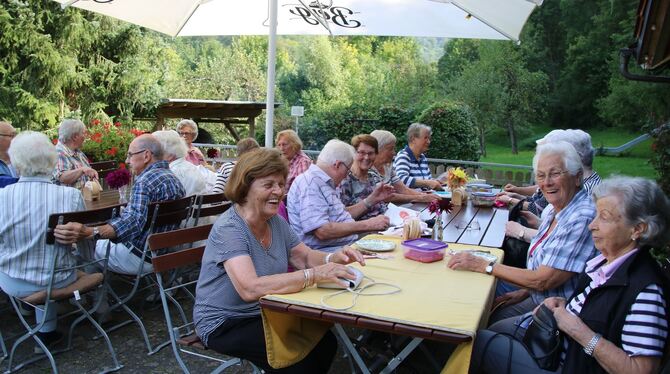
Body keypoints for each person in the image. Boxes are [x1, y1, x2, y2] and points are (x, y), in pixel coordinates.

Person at [471, 176, 670, 374]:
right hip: (555, 345)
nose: (592, 225)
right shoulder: (609, 263)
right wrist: (564, 304)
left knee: (474, 343)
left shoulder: (646, 292)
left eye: (605, 217)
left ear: (637, 229)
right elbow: (601, 307)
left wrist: (578, 330)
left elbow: (641, 370)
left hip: (567, 364)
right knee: (494, 329)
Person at [194, 148, 366, 373]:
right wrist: (313, 275)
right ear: (245, 187)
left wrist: (334, 258)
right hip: (225, 323)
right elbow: (249, 289)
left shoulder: (274, 221)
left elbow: (303, 257)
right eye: (268, 185)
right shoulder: (230, 228)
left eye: (281, 184)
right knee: (300, 363)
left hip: (265, 311)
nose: (278, 191)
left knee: (325, 344)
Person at [448, 141, 597, 324]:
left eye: (555, 173)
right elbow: (547, 272)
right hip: (536, 294)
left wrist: (483, 265)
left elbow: (543, 280)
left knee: (483, 317)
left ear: (577, 176)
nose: (547, 182)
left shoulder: (581, 218)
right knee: (468, 285)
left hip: (557, 315)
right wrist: (525, 291)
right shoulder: (555, 209)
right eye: (541, 176)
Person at [54, 134, 185, 275]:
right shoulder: (175, 180)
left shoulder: (145, 182)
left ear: (146, 156)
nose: (127, 160)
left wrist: (91, 232)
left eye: (130, 155)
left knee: (84, 245)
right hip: (163, 254)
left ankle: (93, 285)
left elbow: (133, 222)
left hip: (137, 257)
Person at [0, 132, 86, 345]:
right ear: (52, 160)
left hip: (15, 280)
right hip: (63, 276)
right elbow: (84, 242)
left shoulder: (3, 197)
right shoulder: (71, 196)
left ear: (15, 162)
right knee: (50, 262)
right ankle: (46, 333)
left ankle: (36, 324)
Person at [288, 139, 390, 252]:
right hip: (327, 253)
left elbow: (340, 215)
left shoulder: (322, 182)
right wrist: (369, 225)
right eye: (347, 170)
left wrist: (371, 200)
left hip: (344, 246)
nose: (347, 175)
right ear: (337, 165)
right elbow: (322, 231)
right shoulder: (310, 184)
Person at [370, 130, 438, 204]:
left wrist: (425, 196)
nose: (394, 152)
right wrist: (420, 197)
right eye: (390, 149)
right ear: (378, 149)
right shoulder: (369, 169)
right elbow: (387, 197)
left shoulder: (388, 167)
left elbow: (403, 189)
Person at [339, 135, 395, 220]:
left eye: (370, 153)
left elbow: (382, 207)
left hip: (385, 224)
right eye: (361, 152)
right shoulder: (344, 180)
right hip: (361, 230)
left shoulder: (373, 176)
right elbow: (340, 215)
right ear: (353, 153)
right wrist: (370, 201)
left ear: (376, 154)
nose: (366, 157)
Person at [153, 130, 207, 196]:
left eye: (155, 152)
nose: (152, 156)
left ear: (170, 154)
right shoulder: (192, 168)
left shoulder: (169, 174)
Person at [392, 123, 442, 191]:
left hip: (424, 199)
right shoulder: (404, 156)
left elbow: (428, 181)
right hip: (410, 201)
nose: (428, 142)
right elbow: (401, 179)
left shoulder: (422, 157)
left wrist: (439, 181)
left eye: (429, 138)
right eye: (425, 138)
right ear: (413, 139)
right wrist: (428, 183)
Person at [53, 119, 98, 189]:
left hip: (85, 197)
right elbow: (62, 177)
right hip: (68, 198)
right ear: (74, 137)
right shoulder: (59, 153)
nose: (85, 136)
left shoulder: (79, 153)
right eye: (83, 133)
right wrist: (82, 170)